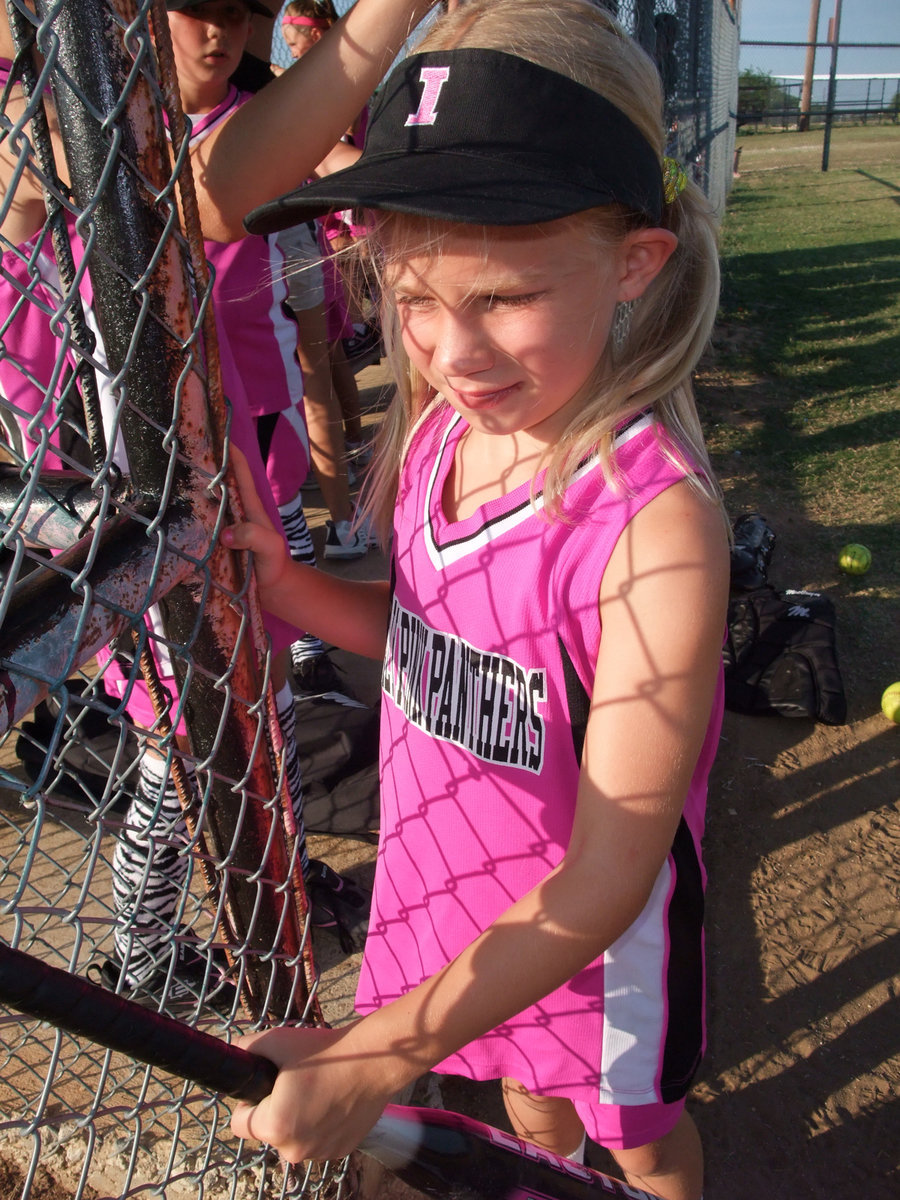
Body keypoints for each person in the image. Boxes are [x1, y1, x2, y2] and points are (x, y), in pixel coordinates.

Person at [224, 2, 728, 1196]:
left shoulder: (653, 523)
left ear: (635, 265)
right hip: (448, 883)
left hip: (596, 942)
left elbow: (610, 870)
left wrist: (380, 1055)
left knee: (636, 1138)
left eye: (502, 298)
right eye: (411, 299)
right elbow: (429, 647)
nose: (452, 351)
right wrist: (291, 586)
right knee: (524, 1104)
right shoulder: (445, 434)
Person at [1, 0, 437, 996]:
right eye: (192, 10)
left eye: (238, 12)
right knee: (178, 741)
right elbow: (176, 191)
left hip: (230, 475)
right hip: (130, 504)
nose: (217, 35)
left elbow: (250, 180)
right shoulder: (57, 126)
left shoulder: (232, 121)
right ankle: (147, 952)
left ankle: (262, 891)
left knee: (255, 716)